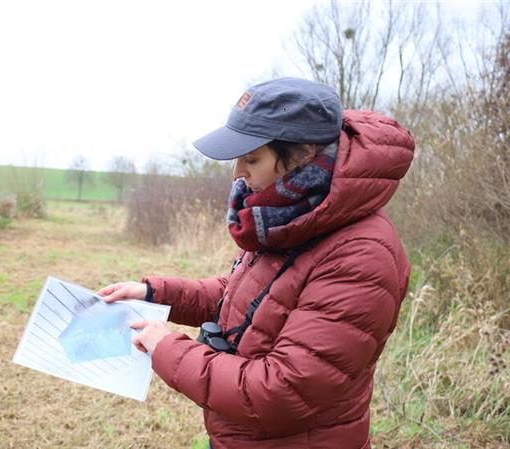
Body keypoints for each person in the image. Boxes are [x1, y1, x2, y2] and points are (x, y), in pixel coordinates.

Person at [98, 77, 414, 448]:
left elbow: (282, 389)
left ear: (302, 155)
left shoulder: (361, 254)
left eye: (252, 159)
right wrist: (154, 293)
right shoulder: (289, 217)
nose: (238, 174)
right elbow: (243, 298)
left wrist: (166, 348)